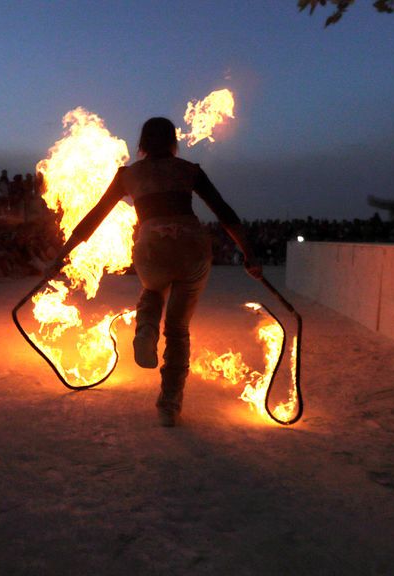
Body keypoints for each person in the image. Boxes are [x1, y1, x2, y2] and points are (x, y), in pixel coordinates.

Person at [50, 117, 261, 427]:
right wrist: (249, 253)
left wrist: (62, 254)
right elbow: (224, 212)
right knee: (178, 330)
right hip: (192, 247)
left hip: (152, 248)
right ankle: (169, 404)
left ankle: (146, 328)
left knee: (152, 290)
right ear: (173, 141)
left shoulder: (128, 175)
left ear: (142, 143)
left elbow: (94, 217)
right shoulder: (190, 170)